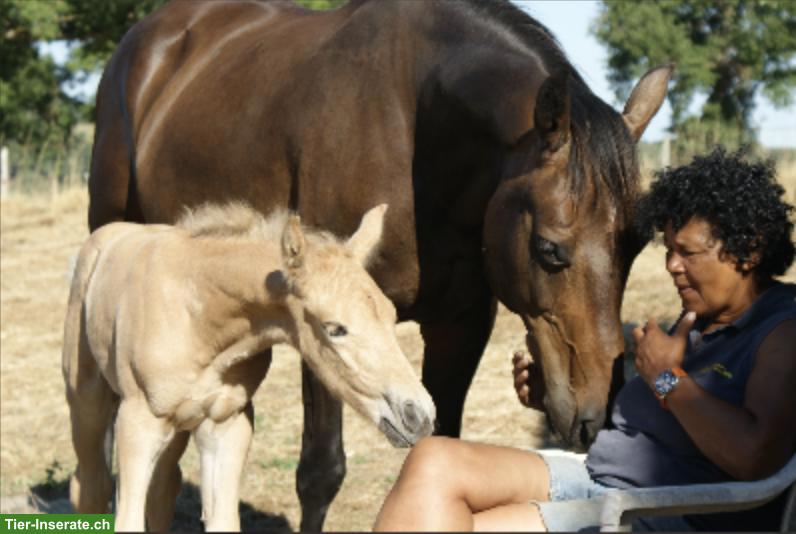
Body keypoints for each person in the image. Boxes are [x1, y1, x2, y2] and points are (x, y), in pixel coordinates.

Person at [373, 147, 796, 532]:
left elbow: (753, 456)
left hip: (658, 510)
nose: (671, 265)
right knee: (433, 461)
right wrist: (551, 396)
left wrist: (667, 377)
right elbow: (659, 425)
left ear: (749, 250)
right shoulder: (701, 319)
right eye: (668, 249)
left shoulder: (780, 330)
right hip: (602, 482)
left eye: (688, 252)